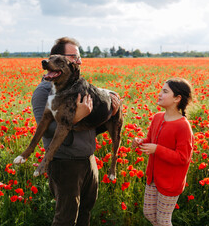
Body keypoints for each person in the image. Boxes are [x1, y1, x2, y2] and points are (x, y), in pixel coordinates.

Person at [31, 37, 120, 226]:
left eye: (79, 57)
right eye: (74, 57)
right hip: (65, 164)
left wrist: (109, 111)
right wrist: (76, 117)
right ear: (57, 59)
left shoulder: (76, 86)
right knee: (65, 219)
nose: (79, 61)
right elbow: (47, 132)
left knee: (84, 214)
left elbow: (89, 127)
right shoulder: (43, 92)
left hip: (88, 161)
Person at [132, 78, 194, 226]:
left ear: (177, 98)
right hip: (153, 177)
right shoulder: (157, 118)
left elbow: (183, 158)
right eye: (161, 90)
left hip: (170, 182)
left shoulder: (183, 126)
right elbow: (151, 140)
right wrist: (141, 142)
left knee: (163, 220)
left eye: (165, 91)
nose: (159, 94)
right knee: (148, 213)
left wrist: (157, 149)